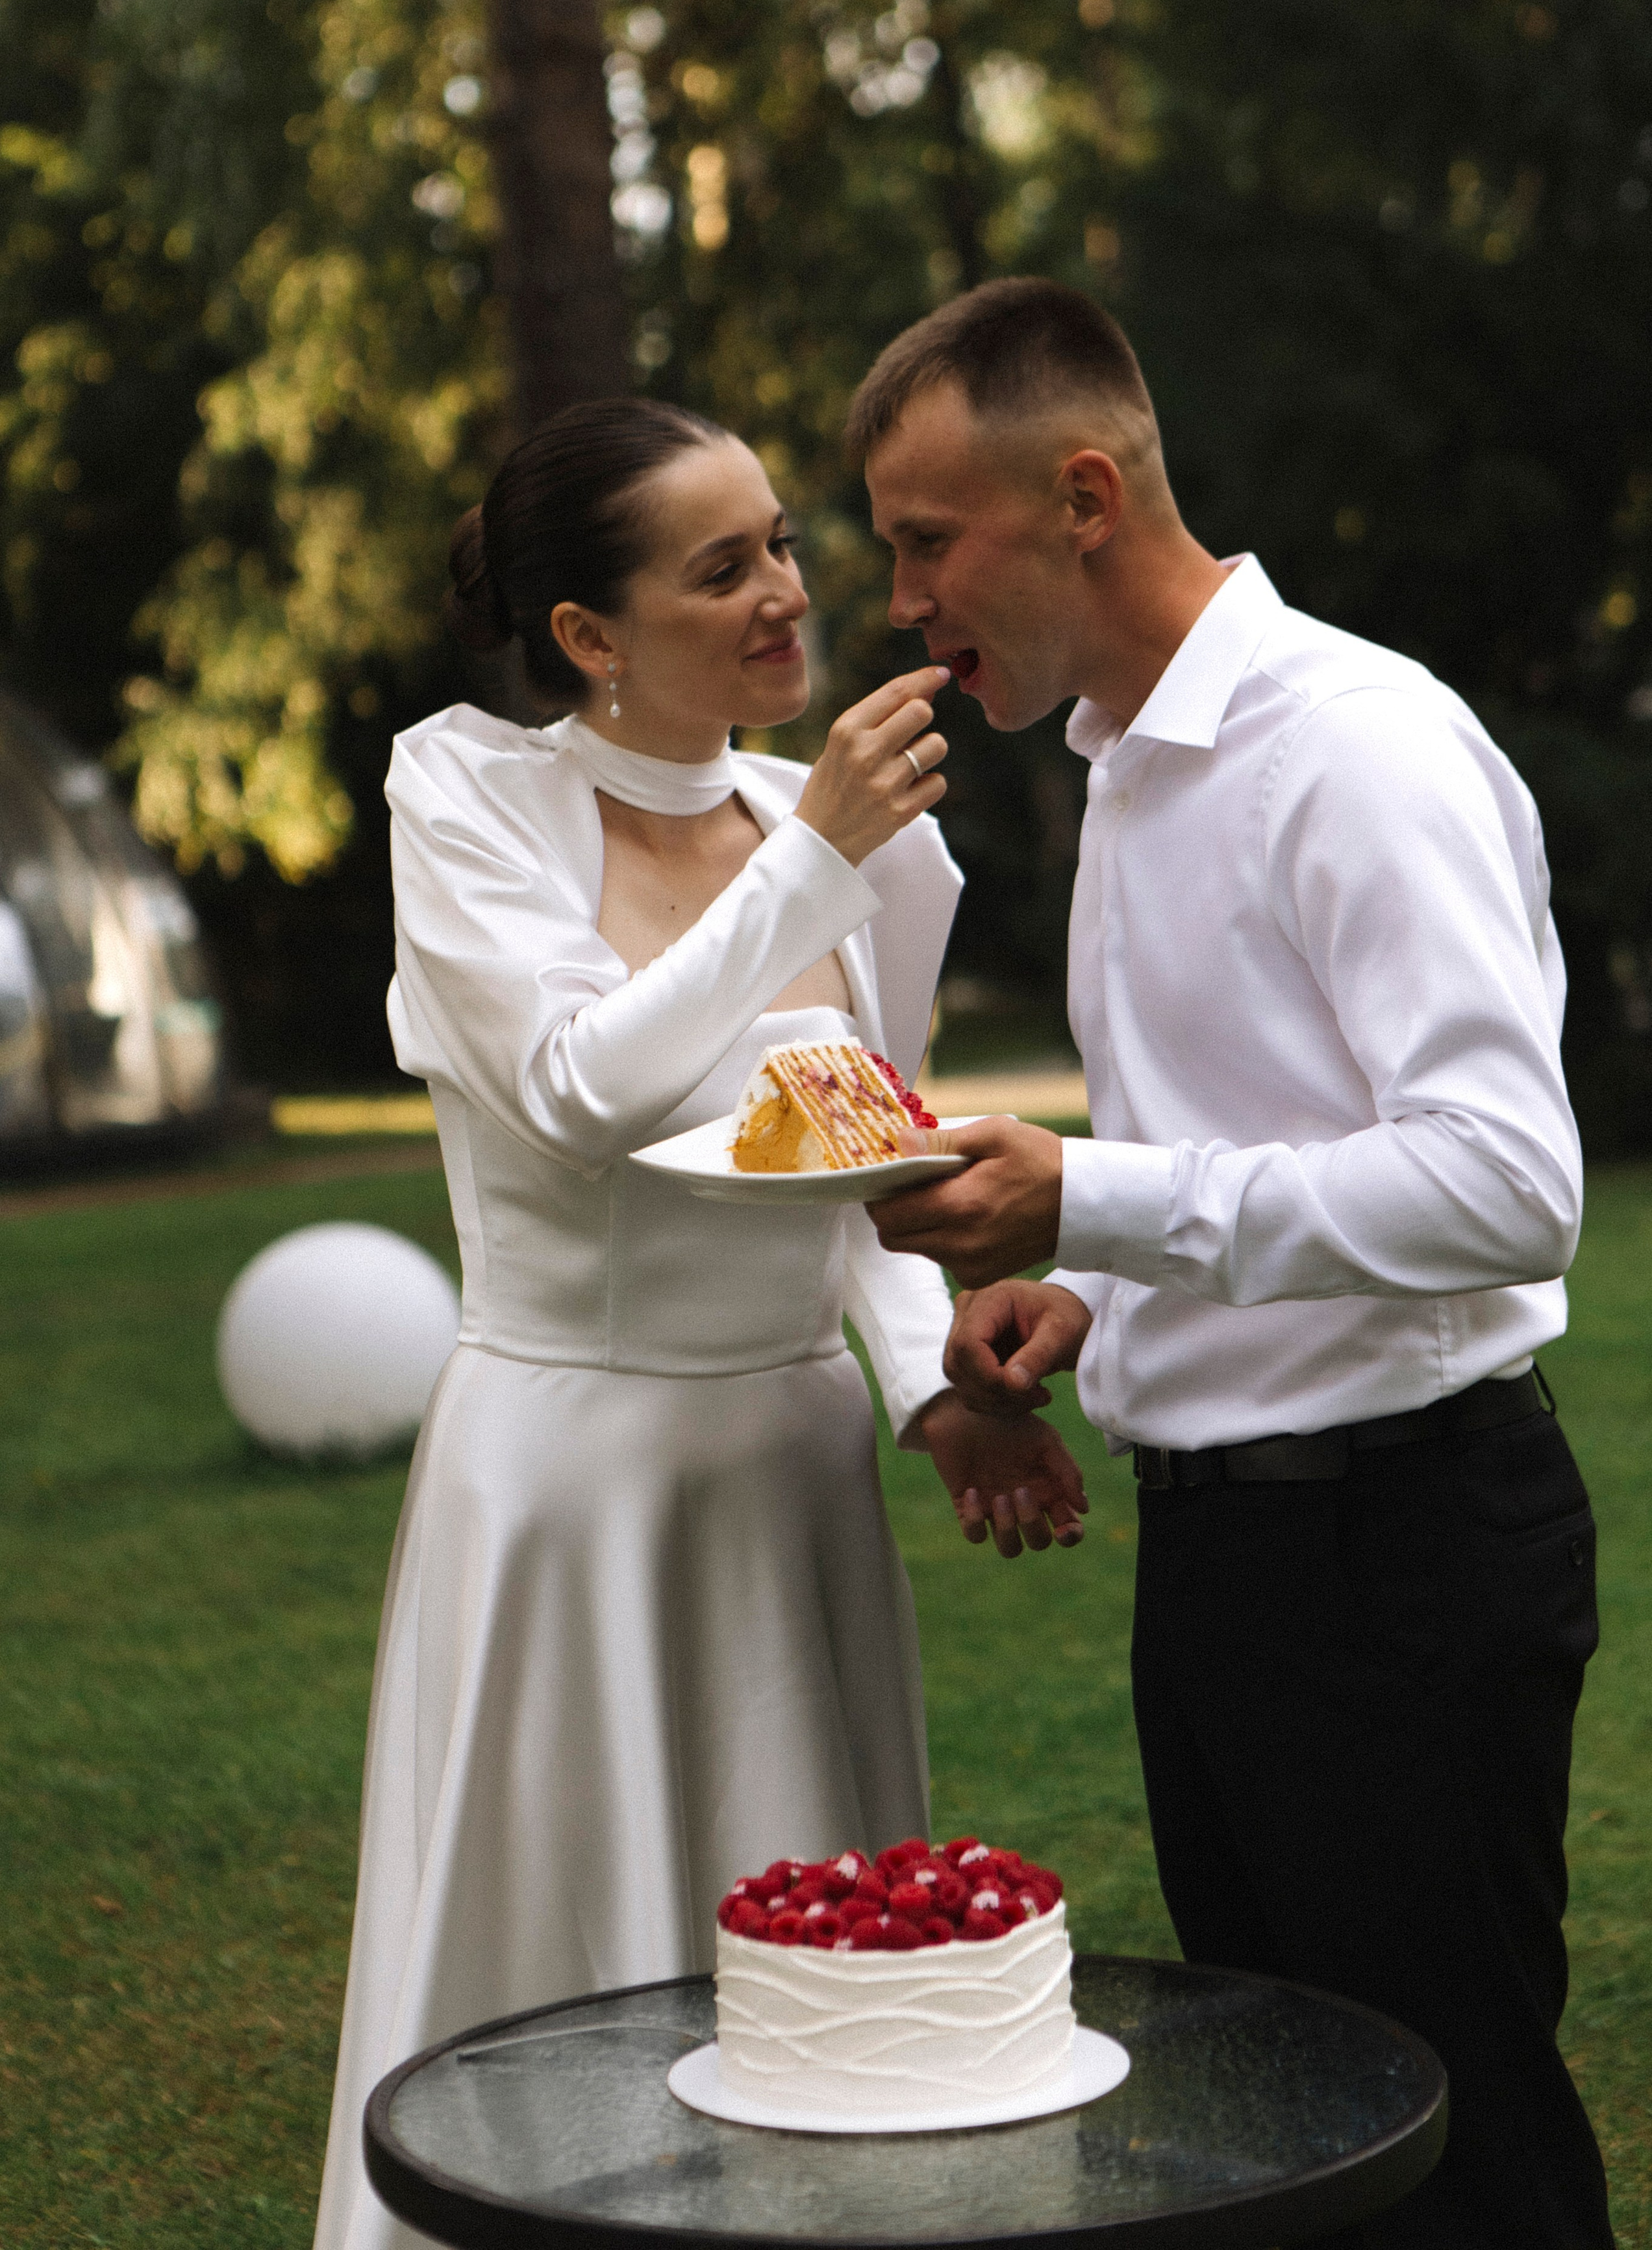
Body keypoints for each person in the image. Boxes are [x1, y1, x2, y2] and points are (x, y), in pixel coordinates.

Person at [857, 279, 1612, 2250]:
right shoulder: (1127, 761)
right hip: (1225, 1561)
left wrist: (1091, 1205)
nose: (902, 600)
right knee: (1291, 2151)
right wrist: (1089, 1296)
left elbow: (1509, 1185)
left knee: (1457, 2148)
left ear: (1086, 492)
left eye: (927, 543)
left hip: (1406, 1553)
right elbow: (1269, 1133)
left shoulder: (1349, 745)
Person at [312, 397, 1087, 2250]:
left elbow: (859, 1163)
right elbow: (581, 1087)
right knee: (556, 1960)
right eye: (721, 563)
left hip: (787, 1476)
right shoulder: (468, 796)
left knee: (816, 1977)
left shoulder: (857, 844)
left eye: (785, 546)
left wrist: (932, 1383)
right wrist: (805, 859)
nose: (786, 593)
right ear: (588, 632)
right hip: (568, 1481)